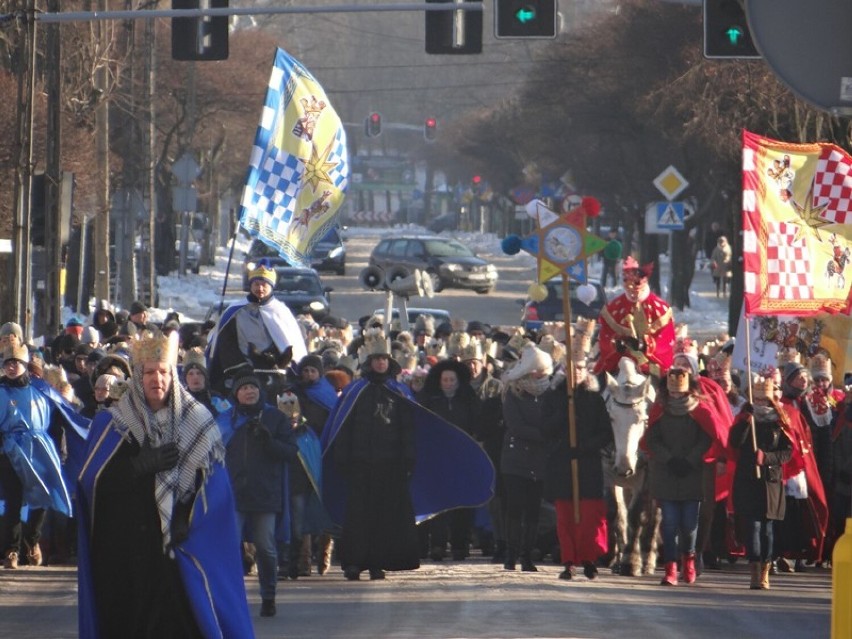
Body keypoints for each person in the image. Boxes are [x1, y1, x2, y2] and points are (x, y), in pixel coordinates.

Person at [77, 331, 254, 637]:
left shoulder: (197, 421)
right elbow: (91, 484)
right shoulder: (114, 422)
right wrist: (137, 467)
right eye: (148, 373)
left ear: (173, 375)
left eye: (163, 372)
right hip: (128, 552)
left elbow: (215, 491)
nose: (156, 379)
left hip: (179, 550)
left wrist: (187, 517)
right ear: (137, 376)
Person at [323, 329, 420, 580]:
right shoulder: (356, 391)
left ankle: (378, 562)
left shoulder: (399, 393)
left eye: (384, 359)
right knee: (357, 515)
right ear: (369, 362)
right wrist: (343, 458)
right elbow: (342, 426)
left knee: (383, 516)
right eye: (376, 359)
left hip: (389, 465)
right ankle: (354, 562)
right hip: (359, 464)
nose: (380, 362)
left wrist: (408, 458)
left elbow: (408, 428)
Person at [216, 370, 297, 617]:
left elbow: (290, 451)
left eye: (253, 388)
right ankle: (230, 599)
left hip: (265, 493)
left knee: (265, 548)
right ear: (236, 394)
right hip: (234, 494)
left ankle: (268, 596)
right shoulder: (225, 420)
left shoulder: (275, 418)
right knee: (229, 547)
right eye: (244, 388)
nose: (249, 391)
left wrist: (269, 441)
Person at [0, 344, 73, 569]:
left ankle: (32, 542)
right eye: (8, 363)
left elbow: (62, 412)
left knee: (41, 497)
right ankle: (11, 549)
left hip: (38, 448)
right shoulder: (1, 392)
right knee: (13, 501)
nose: (12, 367)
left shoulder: (40, 390)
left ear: (24, 366)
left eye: (17, 363)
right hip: (10, 450)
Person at [543, 346, 613, 580]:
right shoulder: (554, 397)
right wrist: (564, 412)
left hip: (588, 465)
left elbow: (606, 433)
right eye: (572, 369)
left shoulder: (594, 399)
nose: (577, 373)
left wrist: (585, 446)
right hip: (563, 465)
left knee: (589, 517)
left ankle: (589, 558)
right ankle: (569, 560)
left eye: (581, 369)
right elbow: (546, 430)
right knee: (566, 518)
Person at [643, 366, 713, 586]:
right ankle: (670, 568)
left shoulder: (699, 410)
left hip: (691, 475)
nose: (676, 396)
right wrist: (668, 459)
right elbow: (652, 439)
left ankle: (689, 562)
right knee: (670, 524)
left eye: (679, 392)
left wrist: (690, 459)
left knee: (689, 524)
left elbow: (706, 438)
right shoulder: (660, 409)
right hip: (666, 474)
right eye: (673, 392)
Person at [206, 258, 308, 394]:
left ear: (271, 286)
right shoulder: (236, 311)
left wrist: (277, 363)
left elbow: (290, 344)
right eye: (256, 284)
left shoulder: (281, 311)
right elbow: (225, 342)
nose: (260, 288)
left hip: (276, 369)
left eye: (264, 284)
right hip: (242, 369)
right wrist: (242, 367)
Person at [729, 377, 793, 590]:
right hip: (748, 481)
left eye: (763, 399)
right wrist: (746, 423)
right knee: (753, 527)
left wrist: (766, 458)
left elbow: (787, 452)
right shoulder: (746, 418)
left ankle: (766, 568)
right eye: (756, 399)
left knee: (767, 529)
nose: (760, 403)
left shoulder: (779, 421)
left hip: (770, 482)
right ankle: (754, 570)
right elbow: (734, 443)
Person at [417, 357, 480, 561]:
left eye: (451, 380)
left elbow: (476, 426)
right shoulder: (430, 400)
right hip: (437, 459)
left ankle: (460, 545)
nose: (448, 383)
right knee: (440, 504)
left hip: (462, 458)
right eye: (445, 380)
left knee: (462, 505)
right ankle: (437, 544)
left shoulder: (468, 399)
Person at [500, 342, 554, 572]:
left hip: (540, 461)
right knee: (515, 509)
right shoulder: (514, 393)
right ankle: (511, 554)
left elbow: (555, 420)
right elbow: (516, 426)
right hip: (516, 460)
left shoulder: (550, 395)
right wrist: (544, 434)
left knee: (533, 511)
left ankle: (527, 555)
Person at [593, 256, 676, 378]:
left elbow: (667, 339)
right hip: (619, 362)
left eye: (636, 283)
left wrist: (647, 345)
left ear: (645, 282)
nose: (631, 288)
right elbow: (604, 337)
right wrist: (616, 344)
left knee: (671, 387)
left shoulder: (660, 309)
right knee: (597, 385)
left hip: (651, 363)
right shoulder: (613, 308)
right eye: (626, 281)